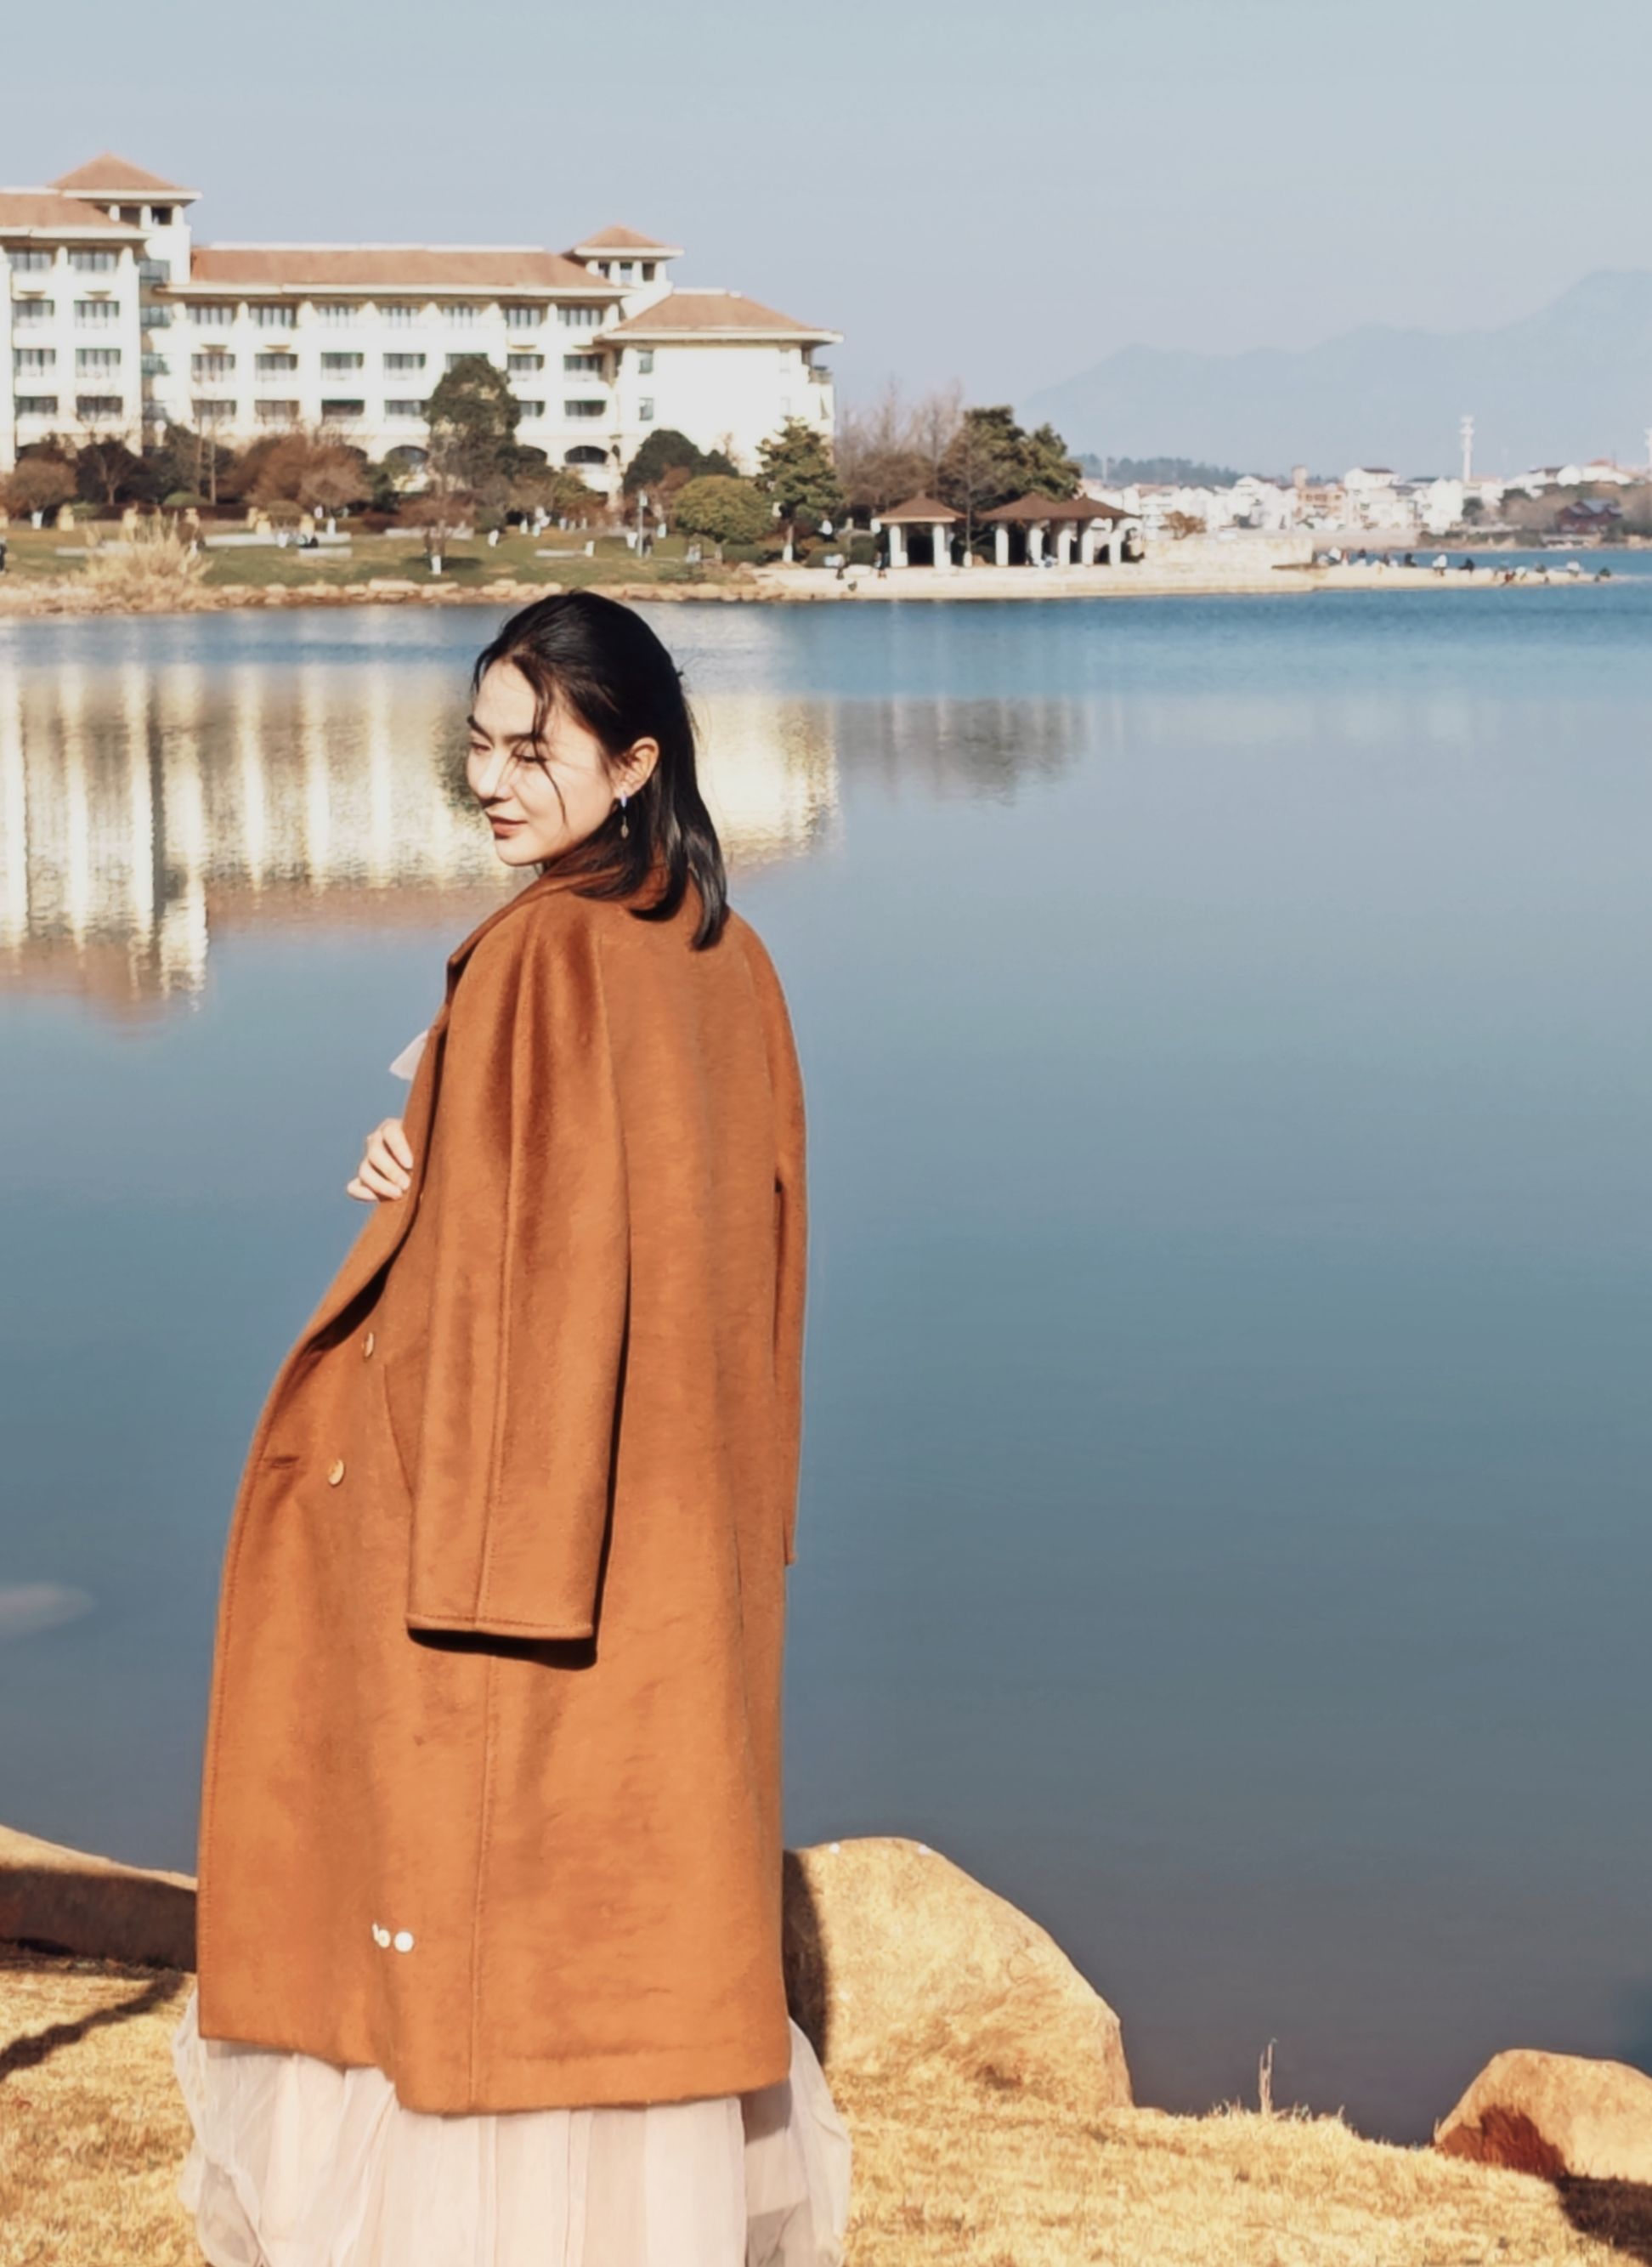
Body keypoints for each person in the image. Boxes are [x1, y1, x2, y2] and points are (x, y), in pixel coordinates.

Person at [169, 589, 852, 2266]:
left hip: (509, 1542)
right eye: (477, 744)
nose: (489, 780)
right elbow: (728, 1258)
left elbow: (512, 1292)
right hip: (673, 1535)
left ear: (635, 761)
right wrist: (433, 1166)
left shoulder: (545, 955)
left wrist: (427, 1541)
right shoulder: (724, 956)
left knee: (479, 1965)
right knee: (620, 1957)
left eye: (532, 750)